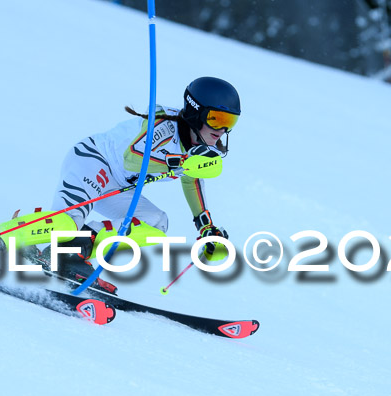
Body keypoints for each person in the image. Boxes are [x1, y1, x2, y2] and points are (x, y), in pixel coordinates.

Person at [26, 76, 241, 292]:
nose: (222, 130)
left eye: (229, 122)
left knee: (156, 223)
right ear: (196, 112)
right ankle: (14, 241)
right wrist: (179, 162)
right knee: (67, 223)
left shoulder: (198, 148)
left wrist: (205, 227)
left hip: (119, 187)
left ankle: (71, 254)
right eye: (216, 119)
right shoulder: (164, 124)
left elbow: (191, 179)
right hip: (94, 161)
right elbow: (132, 157)